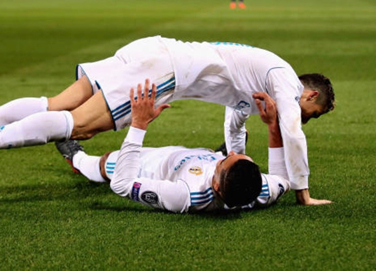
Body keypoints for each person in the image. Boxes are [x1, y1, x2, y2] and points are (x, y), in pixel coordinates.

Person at [0, 36, 334, 204]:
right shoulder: (283, 79)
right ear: (308, 94)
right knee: (81, 124)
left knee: (56, 103)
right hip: (166, 70)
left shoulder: (257, 82)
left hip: (153, 49)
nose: (302, 117)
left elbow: (235, 124)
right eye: (309, 111)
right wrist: (302, 191)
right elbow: (292, 130)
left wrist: (239, 160)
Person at [55, 81, 289, 213]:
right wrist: (272, 126)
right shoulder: (263, 190)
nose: (237, 153)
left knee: (106, 164)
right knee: (228, 148)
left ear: (216, 186)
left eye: (228, 160)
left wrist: (138, 124)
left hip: (153, 165)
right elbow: (282, 178)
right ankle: (219, 153)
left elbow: (122, 185)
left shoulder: (185, 195)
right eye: (238, 157)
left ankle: (76, 158)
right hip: (199, 158)